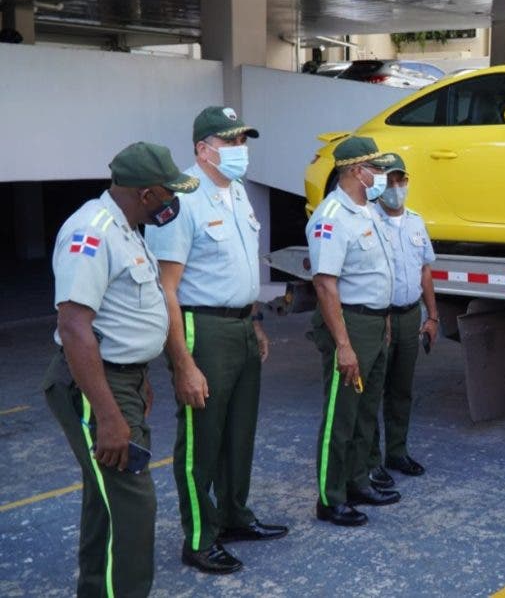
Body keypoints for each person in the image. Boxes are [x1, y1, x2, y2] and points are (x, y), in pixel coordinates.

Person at [44, 141, 198, 597]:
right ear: (147, 193)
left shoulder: (128, 229)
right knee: (133, 508)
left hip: (121, 380)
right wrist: (108, 414)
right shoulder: (90, 232)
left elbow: (124, 315)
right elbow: (74, 327)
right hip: (96, 388)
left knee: (105, 502)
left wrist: (140, 375)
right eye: (169, 193)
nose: (173, 202)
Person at [146, 106, 287, 575]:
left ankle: (233, 515)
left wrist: (255, 320)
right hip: (201, 328)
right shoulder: (181, 200)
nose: (239, 151)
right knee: (202, 438)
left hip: (241, 326)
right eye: (230, 143)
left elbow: (239, 268)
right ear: (202, 150)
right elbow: (166, 288)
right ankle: (199, 539)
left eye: (243, 141)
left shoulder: (238, 192)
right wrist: (183, 363)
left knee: (238, 431)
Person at [307, 136, 400, 528]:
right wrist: (344, 344)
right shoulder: (331, 217)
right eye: (375, 169)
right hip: (351, 323)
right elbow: (326, 285)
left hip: (376, 323)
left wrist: (387, 321)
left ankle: (359, 481)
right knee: (341, 414)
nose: (381, 176)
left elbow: (379, 272)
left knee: (365, 412)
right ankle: (330, 498)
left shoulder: (369, 212)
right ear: (354, 171)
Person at [366, 154, 440, 490]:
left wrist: (433, 315)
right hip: (382, 318)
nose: (397, 188)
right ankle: (369, 462)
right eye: (390, 181)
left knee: (401, 390)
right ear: (380, 184)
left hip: (411, 316)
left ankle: (397, 451)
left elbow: (425, 271)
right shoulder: (369, 221)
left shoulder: (416, 222)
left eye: (401, 181)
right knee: (371, 393)